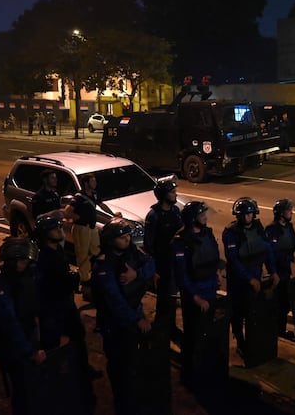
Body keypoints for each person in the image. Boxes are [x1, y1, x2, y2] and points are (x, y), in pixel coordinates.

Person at [33, 214, 99, 411]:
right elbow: (47, 288)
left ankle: (82, 370)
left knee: (78, 336)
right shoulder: (42, 257)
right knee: (54, 347)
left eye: (60, 226)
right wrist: (70, 279)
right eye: (55, 228)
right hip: (53, 309)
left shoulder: (57, 250)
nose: (60, 230)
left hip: (66, 303)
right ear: (45, 234)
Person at [92, 218, 156, 415]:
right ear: (111, 240)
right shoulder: (104, 265)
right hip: (114, 322)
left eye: (128, 236)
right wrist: (137, 319)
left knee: (133, 362)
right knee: (119, 364)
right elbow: (115, 301)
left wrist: (137, 275)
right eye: (122, 237)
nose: (127, 240)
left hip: (134, 310)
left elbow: (151, 264)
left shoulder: (132, 252)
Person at [0, 237, 45, 415]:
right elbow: (8, 322)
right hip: (10, 344)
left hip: (27, 335)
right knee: (23, 389)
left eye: (26, 260)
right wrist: (29, 352)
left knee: (33, 384)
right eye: (21, 260)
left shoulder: (26, 275)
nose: (24, 264)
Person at [174, 201, 225, 392]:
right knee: (192, 336)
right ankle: (189, 376)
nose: (205, 217)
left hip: (209, 290)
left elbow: (214, 256)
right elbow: (182, 275)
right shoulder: (182, 241)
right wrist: (195, 297)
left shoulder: (207, 233)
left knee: (208, 334)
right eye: (201, 214)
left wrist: (217, 273)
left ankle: (205, 371)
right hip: (194, 295)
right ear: (192, 218)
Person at [222, 197, 279, 360]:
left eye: (250, 214)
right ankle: (240, 342)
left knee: (254, 311)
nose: (248, 217)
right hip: (238, 280)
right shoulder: (231, 233)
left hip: (255, 275)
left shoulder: (258, 228)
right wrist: (249, 279)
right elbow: (233, 260)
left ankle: (254, 341)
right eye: (244, 214)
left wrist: (273, 271)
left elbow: (267, 250)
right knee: (238, 312)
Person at [64, 173, 118, 301]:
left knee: (96, 251)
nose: (95, 183)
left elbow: (102, 204)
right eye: (93, 181)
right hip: (81, 228)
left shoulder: (94, 194)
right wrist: (77, 217)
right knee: (82, 255)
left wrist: (112, 215)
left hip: (92, 229)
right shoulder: (79, 197)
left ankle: (95, 275)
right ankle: (85, 282)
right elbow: (67, 211)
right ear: (86, 183)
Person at [143, 178, 184, 339]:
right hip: (162, 264)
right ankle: (161, 329)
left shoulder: (175, 211)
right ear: (163, 195)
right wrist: (153, 270)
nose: (175, 195)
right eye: (172, 192)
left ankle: (170, 327)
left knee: (172, 297)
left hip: (175, 261)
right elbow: (149, 245)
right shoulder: (154, 216)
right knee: (164, 298)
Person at [265, 198, 295, 337]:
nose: (292, 213)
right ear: (281, 213)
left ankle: (280, 329)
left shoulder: (288, 227)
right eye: (289, 210)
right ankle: (278, 330)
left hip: (286, 270)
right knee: (280, 303)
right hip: (278, 271)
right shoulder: (272, 229)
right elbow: (273, 253)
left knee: (285, 302)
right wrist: (291, 259)